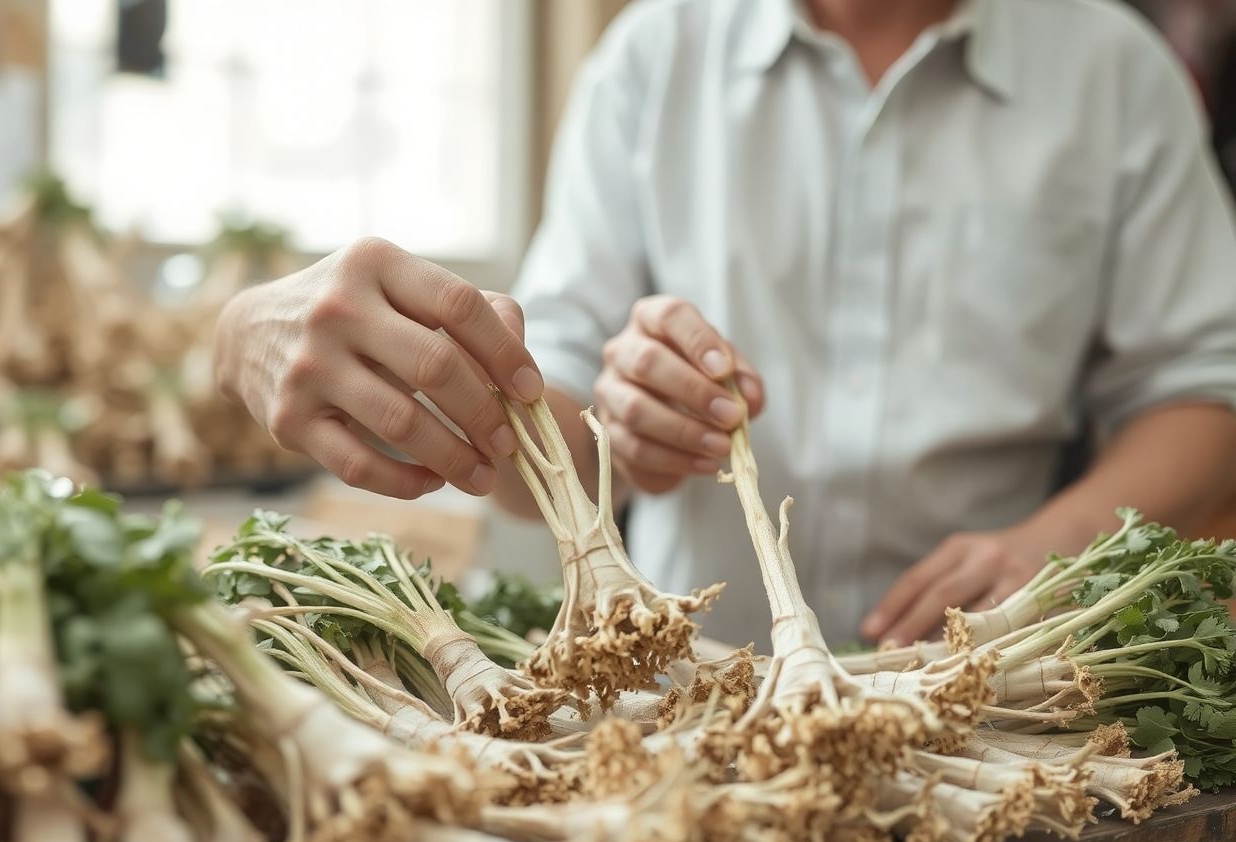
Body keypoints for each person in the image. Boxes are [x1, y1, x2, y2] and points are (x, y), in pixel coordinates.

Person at [216, 0, 1236, 652]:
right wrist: (609, 431)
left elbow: (1205, 389)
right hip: (688, 698)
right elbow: (550, 428)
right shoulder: (650, 60)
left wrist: (1049, 545)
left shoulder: (1115, 72)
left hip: (990, 686)